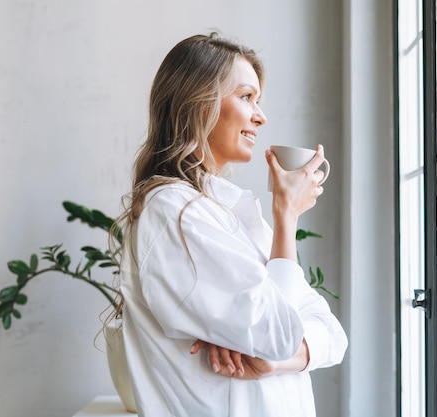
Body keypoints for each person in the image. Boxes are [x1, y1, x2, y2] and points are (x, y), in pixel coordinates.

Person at [117, 33, 348, 417]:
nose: (261, 115)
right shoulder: (173, 210)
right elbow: (279, 333)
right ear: (199, 102)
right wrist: (286, 215)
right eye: (246, 97)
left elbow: (334, 337)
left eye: (258, 99)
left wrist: (276, 361)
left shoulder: (235, 216)